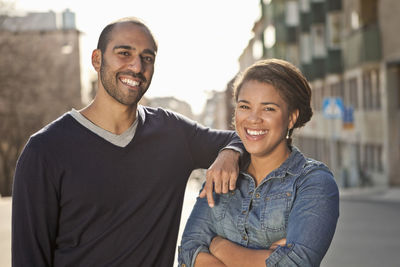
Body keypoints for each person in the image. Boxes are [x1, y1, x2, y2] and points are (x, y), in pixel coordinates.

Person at [12, 17, 244, 267]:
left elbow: (247, 140)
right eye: (124, 53)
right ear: (97, 59)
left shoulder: (173, 134)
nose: (137, 66)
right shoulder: (45, 150)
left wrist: (230, 152)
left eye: (147, 57)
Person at [178, 59, 340, 267]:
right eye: (245, 106)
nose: (253, 119)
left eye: (269, 109)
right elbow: (188, 252)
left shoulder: (313, 182)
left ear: (291, 118)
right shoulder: (221, 173)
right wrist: (266, 258)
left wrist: (218, 246)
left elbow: (295, 264)